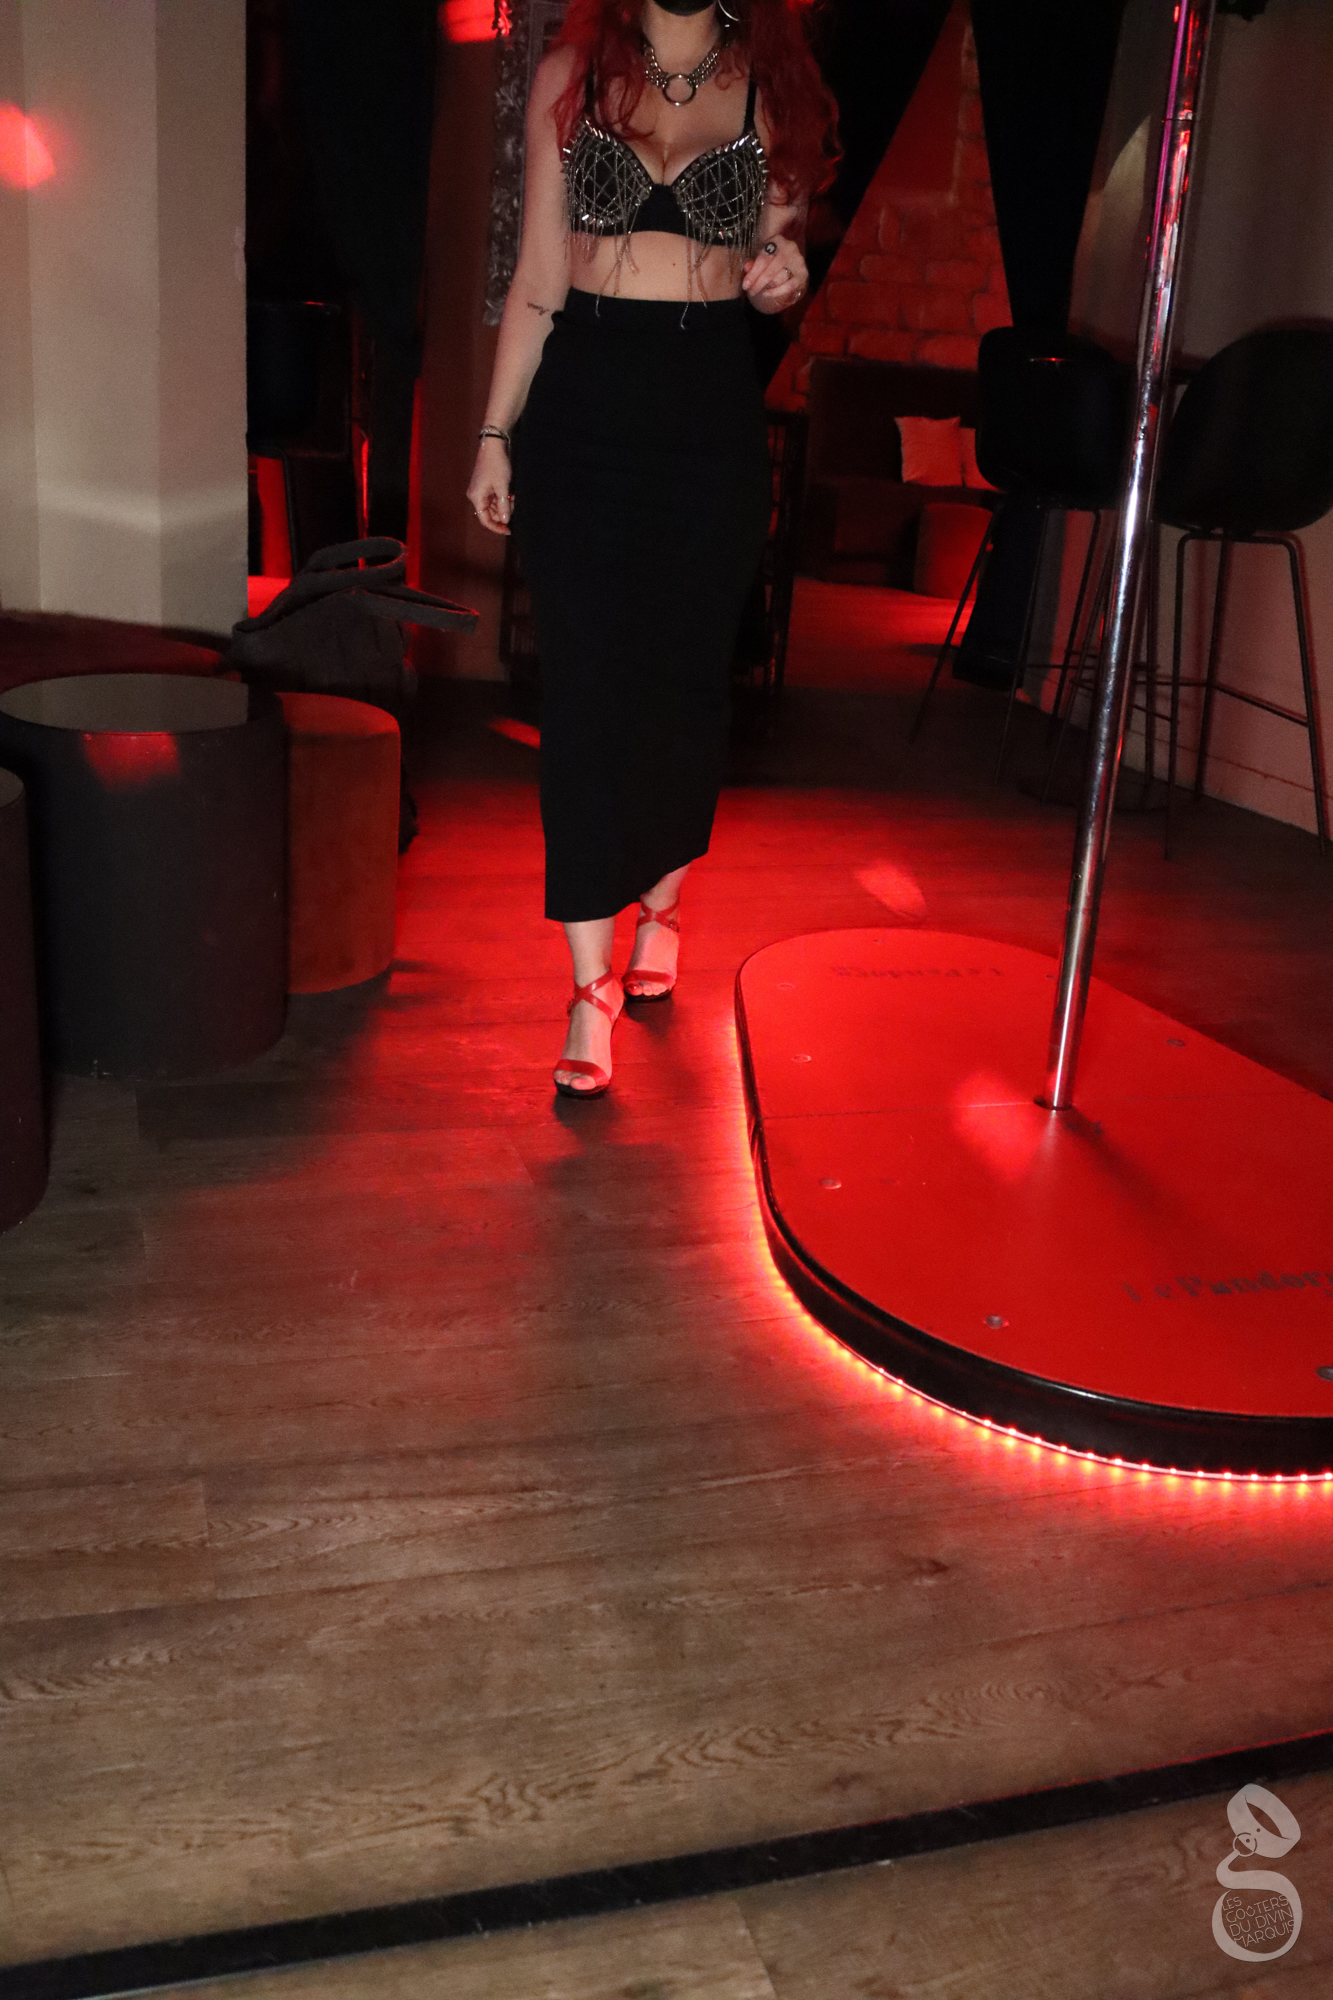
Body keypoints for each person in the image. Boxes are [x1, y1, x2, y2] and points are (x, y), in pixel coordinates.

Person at [468, 0, 837, 1097]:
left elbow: (779, 253)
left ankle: (662, 904)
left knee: (682, 686)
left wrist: (783, 274)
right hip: (581, 405)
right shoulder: (571, 76)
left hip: (706, 410)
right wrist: (494, 433)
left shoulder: (776, 86)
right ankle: (589, 990)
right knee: (583, 689)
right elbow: (538, 279)